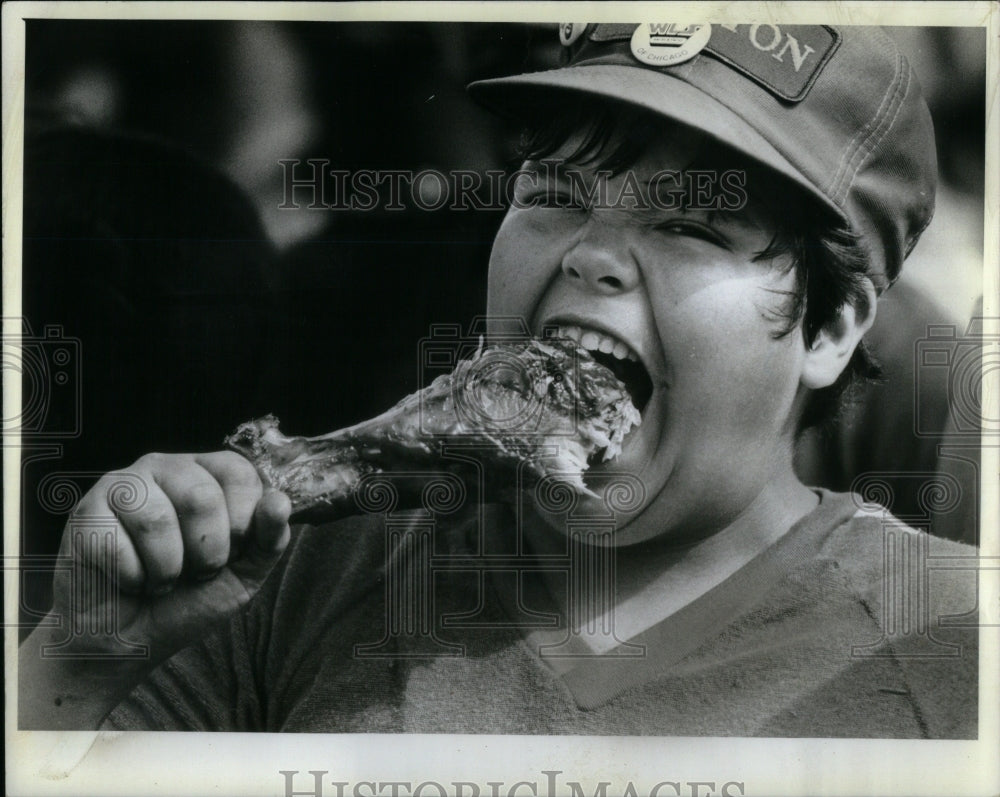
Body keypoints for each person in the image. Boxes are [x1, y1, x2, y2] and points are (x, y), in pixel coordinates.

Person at [19, 24, 979, 737]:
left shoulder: (950, 643)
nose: (594, 254)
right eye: (555, 195)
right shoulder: (290, 579)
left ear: (833, 327)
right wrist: (82, 659)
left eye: (690, 225)